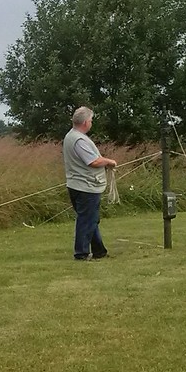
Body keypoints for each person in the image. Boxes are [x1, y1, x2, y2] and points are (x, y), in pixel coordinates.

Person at [63, 106, 116, 260]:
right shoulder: (79, 139)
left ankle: (99, 251)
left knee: (90, 220)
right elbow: (93, 161)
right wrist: (110, 161)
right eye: (91, 120)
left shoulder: (71, 136)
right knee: (86, 221)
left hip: (77, 184)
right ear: (86, 122)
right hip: (86, 186)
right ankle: (81, 253)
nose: (91, 123)